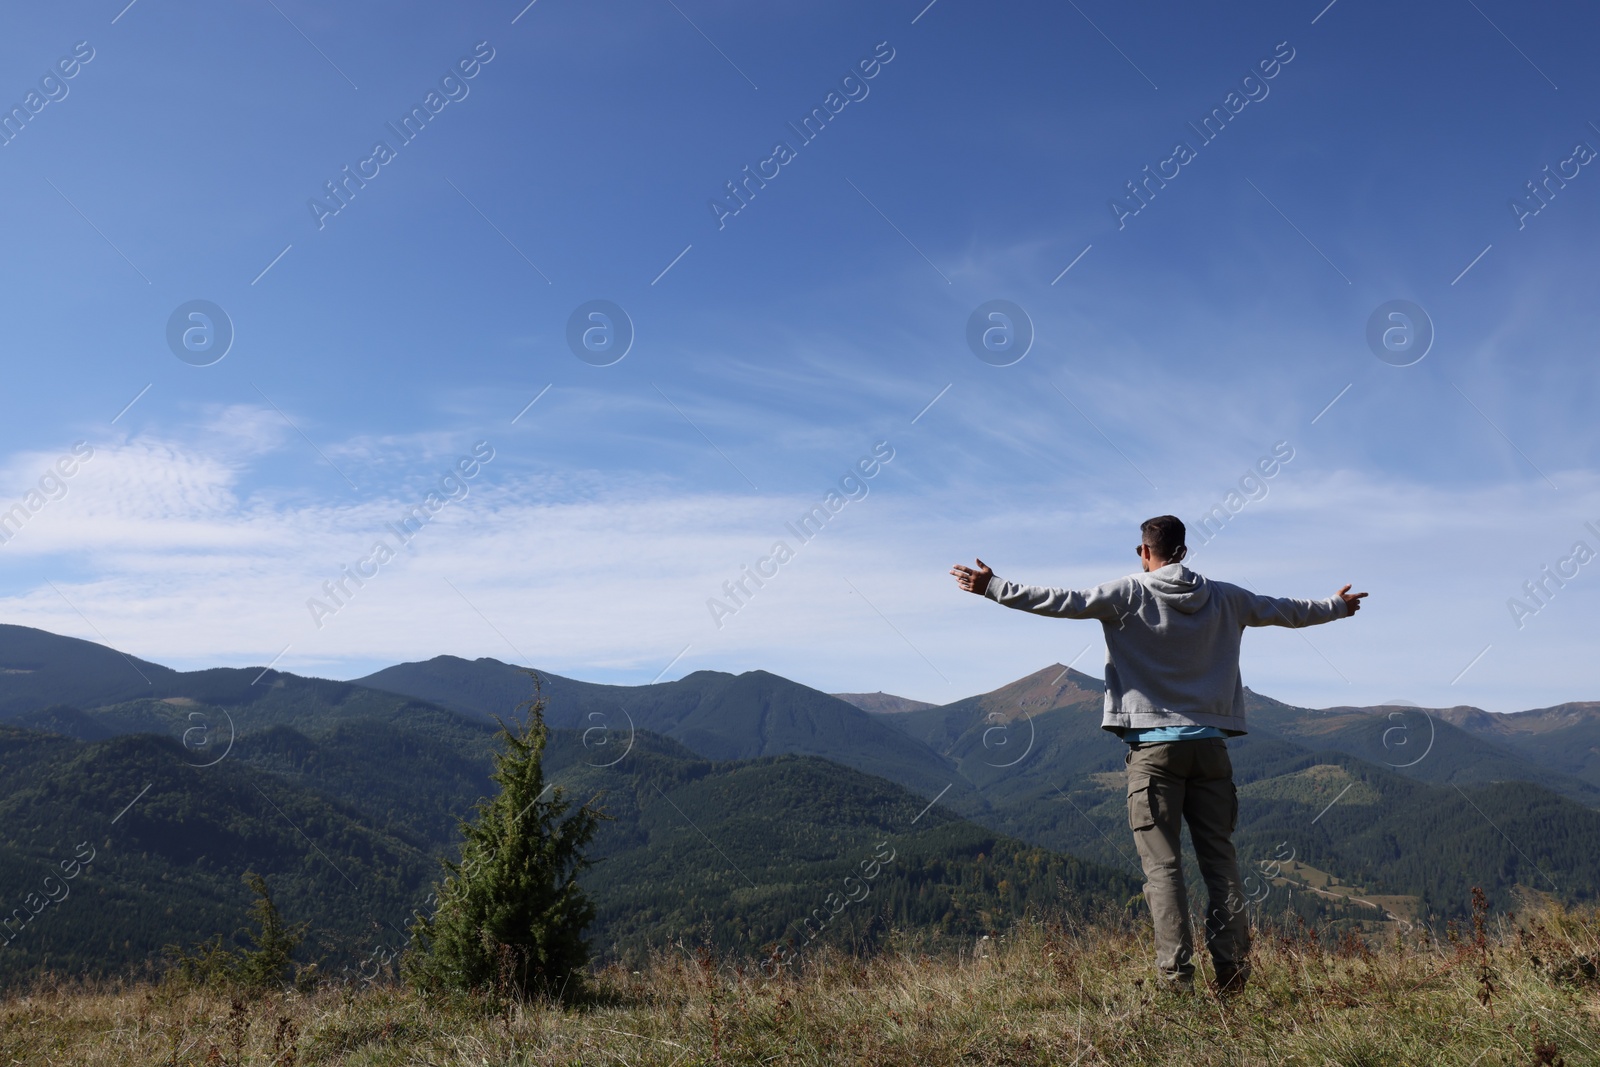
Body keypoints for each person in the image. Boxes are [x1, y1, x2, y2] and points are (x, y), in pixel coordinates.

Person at [950, 515, 1365, 996]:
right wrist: (1336, 606)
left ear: (1143, 552)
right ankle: (1232, 974)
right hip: (1211, 748)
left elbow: (1063, 602)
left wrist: (993, 587)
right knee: (1221, 863)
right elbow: (1284, 609)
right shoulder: (1226, 597)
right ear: (1184, 551)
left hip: (1153, 750)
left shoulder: (1128, 593)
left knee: (1164, 869)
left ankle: (1176, 980)